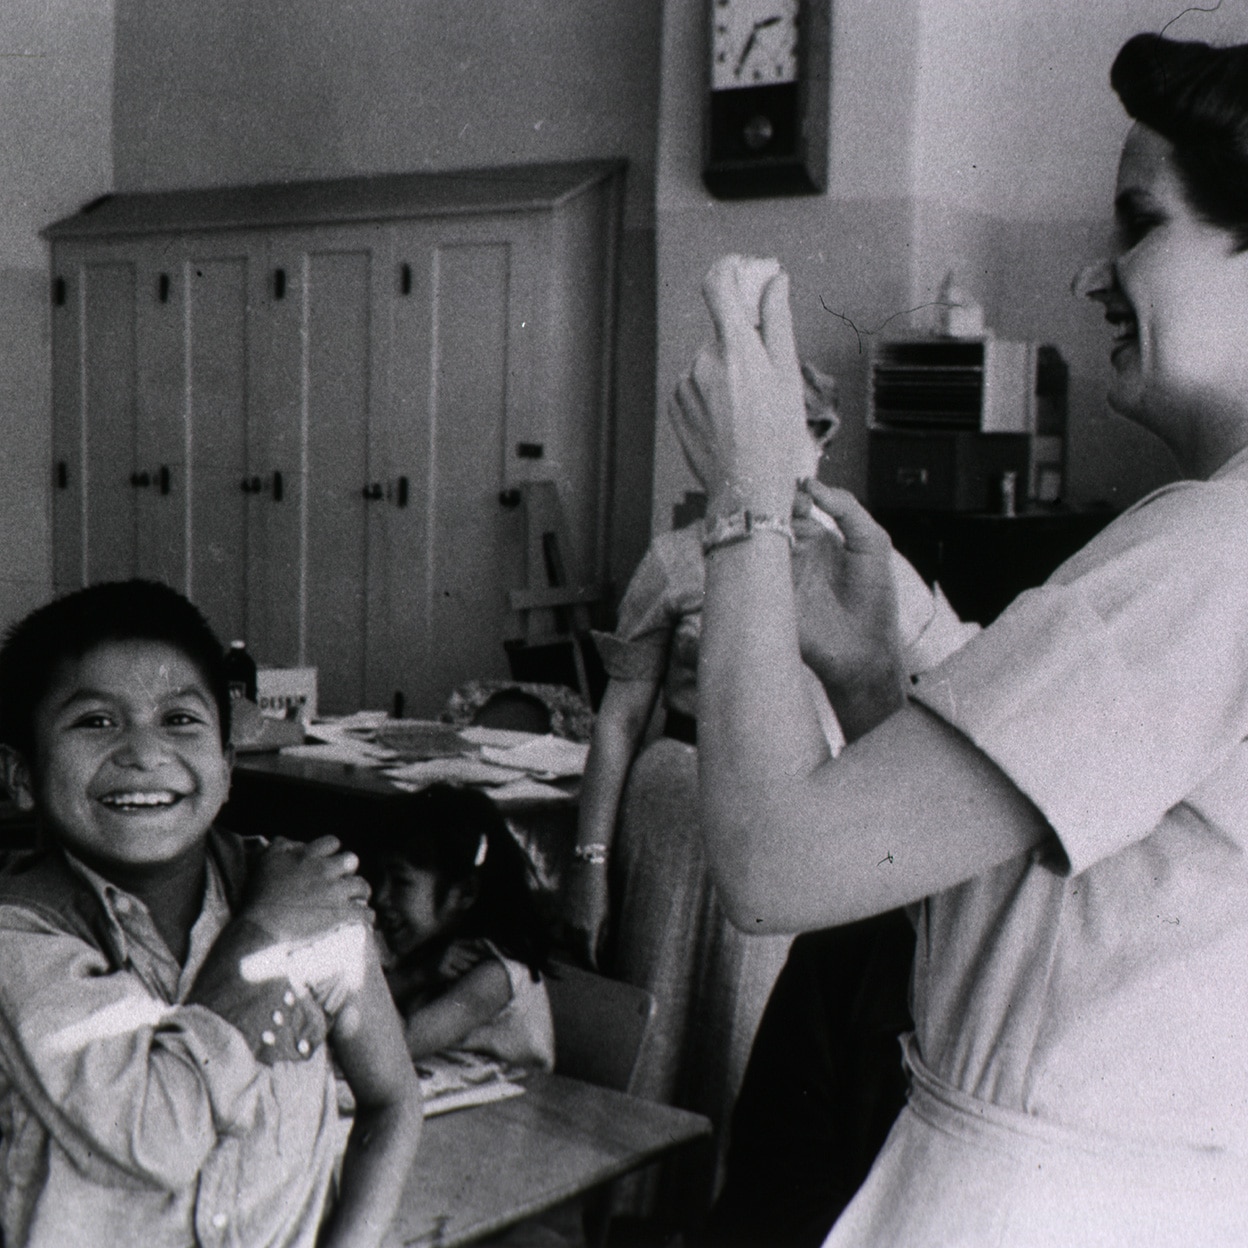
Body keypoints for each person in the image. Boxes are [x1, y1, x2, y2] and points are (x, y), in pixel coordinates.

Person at [670, 31, 1248, 1246]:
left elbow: (770, 870)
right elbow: (1054, 899)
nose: (1097, 277)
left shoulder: (1213, 558)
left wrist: (746, 506)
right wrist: (876, 672)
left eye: (1139, 224)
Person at [565, 356, 974, 1227]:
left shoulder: (864, 565)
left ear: (823, 443)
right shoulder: (675, 559)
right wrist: (590, 862)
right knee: (658, 1036)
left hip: (799, 825)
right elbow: (616, 718)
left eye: (802, 434)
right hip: (675, 821)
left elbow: (942, 689)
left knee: (760, 1045)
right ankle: (638, 1219)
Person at [0, 579, 423, 1248]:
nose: (144, 752)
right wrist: (265, 937)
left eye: (179, 720)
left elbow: (393, 1102)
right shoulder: (20, 939)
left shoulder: (309, 896)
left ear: (226, 768)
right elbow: (158, 1134)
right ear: (21, 776)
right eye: (95, 721)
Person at [369, 783, 555, 1071]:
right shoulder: (421, 945)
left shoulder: (494, 974)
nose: (380, 897)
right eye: (380, 879)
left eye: (401, 882)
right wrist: (417, 975)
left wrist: (416, 976)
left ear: (464, 893)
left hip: (512, 1110)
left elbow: (395, 1045)